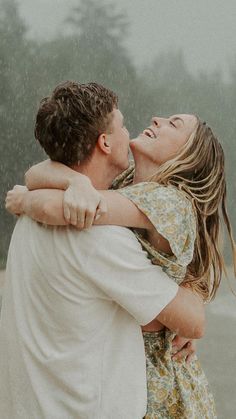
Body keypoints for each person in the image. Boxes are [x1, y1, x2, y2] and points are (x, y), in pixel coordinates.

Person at [10, 85, 236, 418]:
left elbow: (63, 207)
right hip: (130, 365)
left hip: (164, 380)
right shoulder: (128, 182)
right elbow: (38, 172)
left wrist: (28, 199)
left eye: (174, 124)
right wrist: (76, 183)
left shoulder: (170, 202)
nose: (157, 119)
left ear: (187, 156)